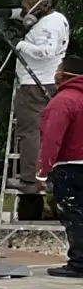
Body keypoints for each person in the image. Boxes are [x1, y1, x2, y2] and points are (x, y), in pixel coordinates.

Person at [12, 0, 70, 220]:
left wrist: (20, 45)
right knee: (44, 132)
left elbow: (46, 51)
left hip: (34, 85)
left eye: (26, 6)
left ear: (36, 8)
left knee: (29, 132)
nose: (25, 11)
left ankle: (31, 178)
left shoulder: (47, 26)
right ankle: (42, 175)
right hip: (45, 82)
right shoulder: (56, 19)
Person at [38, 51, 83, 277]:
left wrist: (43, 170)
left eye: (57, 71)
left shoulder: (63, 101)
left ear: (65, 75)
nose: (54, 74)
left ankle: (78, 264)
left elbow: (51, 138)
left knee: (74, 215)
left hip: (71, 167)